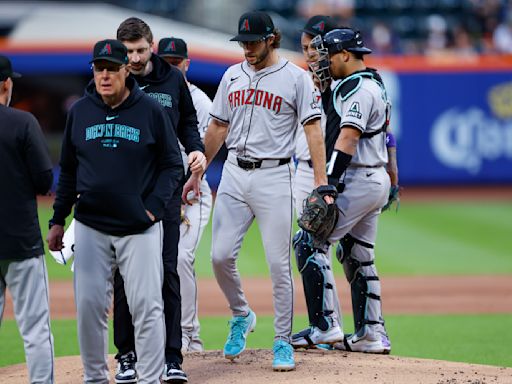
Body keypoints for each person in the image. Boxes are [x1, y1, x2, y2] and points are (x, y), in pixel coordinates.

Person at [182, 10, 330, 371]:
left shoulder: (296, 79)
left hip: (274, 175)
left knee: (279, 265)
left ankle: (282, 340)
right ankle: (241, 313)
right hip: (233, 171)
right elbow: (217, 128)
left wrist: (321, 182)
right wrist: (198, 173)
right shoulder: (232, 75)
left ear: (271, 39)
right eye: (243, 42)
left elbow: (313, 132)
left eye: (252, 42)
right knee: (218, 257)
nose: (246, 48)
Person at [47, 39, 184, 383]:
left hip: (139, 228)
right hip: (91, 225)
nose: (104, 75)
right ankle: (94, 377)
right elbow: (69, 170)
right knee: (89, 309)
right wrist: (57, 220)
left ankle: (150, 378)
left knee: (147, 308)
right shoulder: (80, 111)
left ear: (126, 69)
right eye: (99, 68)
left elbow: (172, 166)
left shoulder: (150, 110)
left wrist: (153, 209)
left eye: (111, 68)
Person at [114, 18, 205, 384]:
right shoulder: (113, 79)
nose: (134, 58)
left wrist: (196, 150)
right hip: (124, 191)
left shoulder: (172, 79)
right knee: (124, 276)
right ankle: (127, 355)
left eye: (140, 50)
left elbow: (188, 122)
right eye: (128, 51)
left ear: (151, 45)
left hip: (166, 189)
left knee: (168, 272)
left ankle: (172, 358)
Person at [291, 28, 392, 354]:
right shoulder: (374, 82)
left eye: (329, 55)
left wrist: (327, 185)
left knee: (308, 241)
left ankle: (325, 326)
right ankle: (371, 334)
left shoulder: (359, 90)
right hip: (374, 177)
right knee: (358, 253)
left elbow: (347, 139)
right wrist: (393, 173)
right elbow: (388, 137)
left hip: (359, 180)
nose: (324, 61)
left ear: (345, 55)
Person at [0, 55, 55, 384]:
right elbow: (44, 180)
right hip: (21, 241)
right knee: (35, 329)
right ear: (6, 84)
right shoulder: (22, 123)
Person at [158, 36, 213, 353]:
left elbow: (207, 148)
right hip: (156, 194)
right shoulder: (147, 96)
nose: (171, 68)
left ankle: (190, 335)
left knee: (180, 258)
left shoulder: (201, 102)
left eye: (176, 63)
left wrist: (194, 175)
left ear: (187, 65)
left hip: (192, 193)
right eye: (165, 63)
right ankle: (158, 336)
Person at [293, 15, 343, 350]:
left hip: (322, 174)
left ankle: (327, 325)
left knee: (312, 247)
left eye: (313, 47)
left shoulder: (341, 84)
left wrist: (329, 182)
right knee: (311, 249)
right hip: (298, 171)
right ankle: (330, 325)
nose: (309, 53)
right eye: (305, 47)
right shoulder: (302, 80)